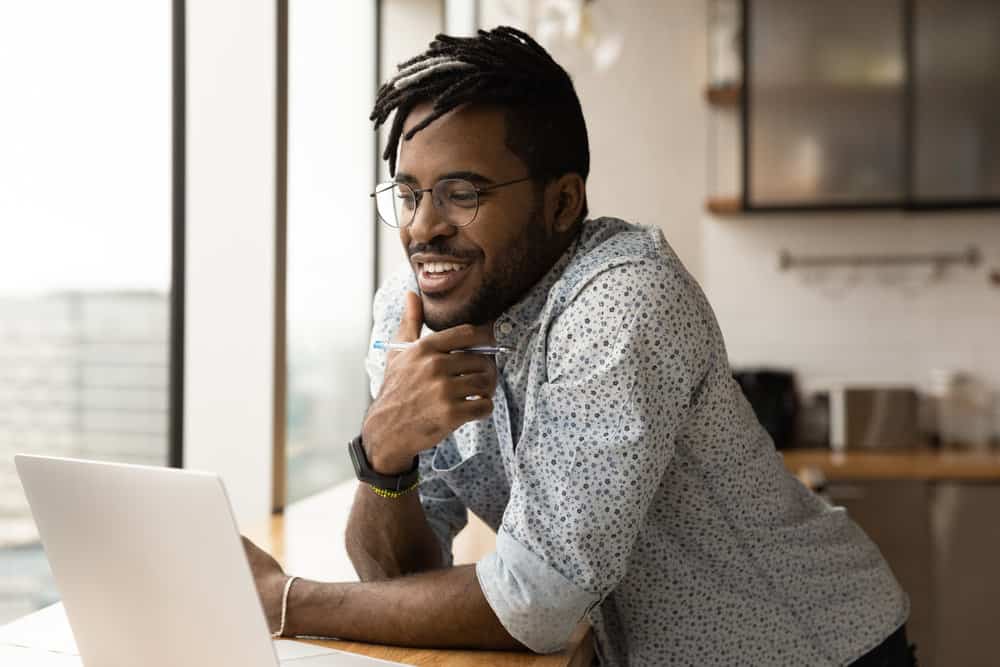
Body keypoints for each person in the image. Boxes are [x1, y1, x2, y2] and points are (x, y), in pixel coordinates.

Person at [243, 26, 916, 666]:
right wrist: (383, 454)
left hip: (814, 647)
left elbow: (536, 602)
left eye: (462, 193)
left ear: (562, 203)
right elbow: (406, 582)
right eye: (410, 193)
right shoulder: (409, 313)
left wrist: (287, 600)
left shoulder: (623, 299)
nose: (424, 227)